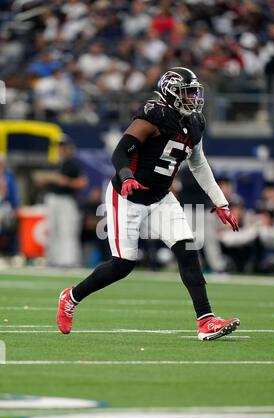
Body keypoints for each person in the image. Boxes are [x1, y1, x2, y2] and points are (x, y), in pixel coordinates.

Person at [56, 67, 240, 341]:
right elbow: (120, 152)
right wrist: (127, 178)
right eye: (187, 92)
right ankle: (71, 297)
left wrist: (221, 203)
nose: (193, 98)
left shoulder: (195, 122)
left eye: (194, 92)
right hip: (127, 196)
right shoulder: (154, 115)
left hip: (162, 197)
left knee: (188, 250)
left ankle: (206, 320)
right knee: (123, 264)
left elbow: (198, 163)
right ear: (171, 92)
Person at [37, 135, 88, 267]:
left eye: (62, 147)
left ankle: (69, 260)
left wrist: (67, 182)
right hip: (52, 198)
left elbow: (82, 183)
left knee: (67, 230)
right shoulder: (54, 163)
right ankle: (53, 259)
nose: (60, 149)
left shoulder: (74, 164)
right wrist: (44, 181)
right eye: (59, 147)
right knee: (52, 230)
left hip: (66, 200)